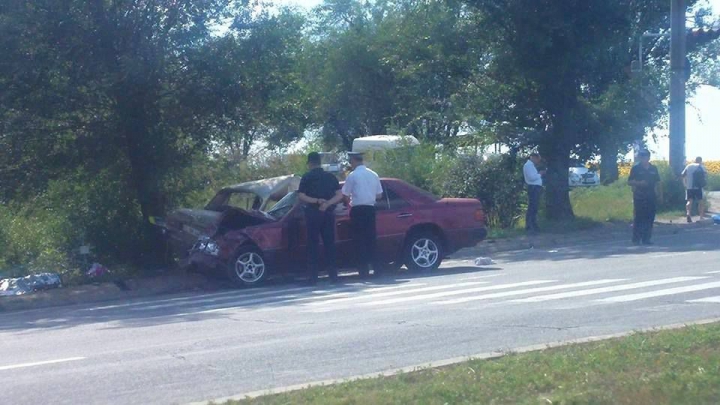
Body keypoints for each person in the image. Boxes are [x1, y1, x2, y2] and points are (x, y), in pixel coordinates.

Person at [298, 152, 343, 285]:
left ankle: (313, 278)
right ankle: (333, 276)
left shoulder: (306, 177)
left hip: (312, 213)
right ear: (320, 162)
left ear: (310, 163)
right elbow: (340, 195)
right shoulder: (330, 177)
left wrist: (317, 201)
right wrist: (328, 203)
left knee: (313, 245)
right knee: (330, 243)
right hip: (328, 213)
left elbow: (301, 196)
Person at [342, 152, 384, 278]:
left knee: (359, 241)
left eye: (351, 161)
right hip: (370, 210)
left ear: (354, 161)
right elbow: (379, 195)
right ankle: (377, 269)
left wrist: (348, 202)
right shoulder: (373, 174)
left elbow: (345, 194)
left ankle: (363, 271)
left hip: (358, 210)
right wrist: (369, 195)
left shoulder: (353, 176)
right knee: (371, 239)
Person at [628, 150, 662, 245]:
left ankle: (646, 238)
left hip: (651, 195)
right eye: (642, 157)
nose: (643, 159)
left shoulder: (653, 168)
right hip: (639, 195)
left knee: (650, 217)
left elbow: (658, 182)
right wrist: (639, 183)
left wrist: (660, 194)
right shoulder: (635, 168)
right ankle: (636, 238)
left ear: (648, 157)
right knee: (639, 217)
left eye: (645, 157)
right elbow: (629, 182)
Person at [523, 153, 545, 233]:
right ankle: (530, 226)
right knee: (532, 207)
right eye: (537, 159)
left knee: (534, 207)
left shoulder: (531, 166)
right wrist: (540, 174)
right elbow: (531, 178)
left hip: (535, 187)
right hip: (533, 188)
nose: (538, 162)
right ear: (533, 158)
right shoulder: (528, 166)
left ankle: (533, 225)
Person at [681, 156, 707, 223]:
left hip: (689, 187)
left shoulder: (688, 166)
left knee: (689, 201)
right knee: (701, 202)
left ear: (695, 160)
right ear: (700, 161)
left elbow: (683, 175)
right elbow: (704, 176)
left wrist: (685, 184)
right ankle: (701, 217)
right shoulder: (701, 167)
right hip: (698, 187)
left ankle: (688, 214)